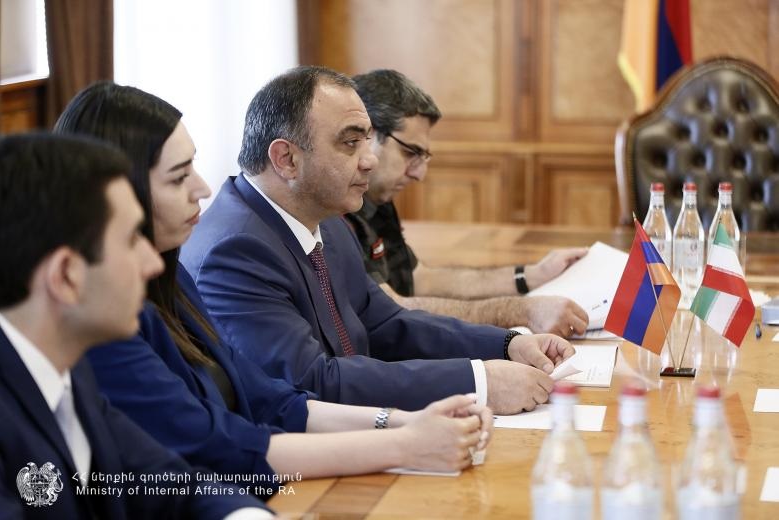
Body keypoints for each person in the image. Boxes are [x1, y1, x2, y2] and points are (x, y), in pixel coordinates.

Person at [54, 81, 492, 492]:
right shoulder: (111, 317)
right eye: (178, 176)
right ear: (120, 195)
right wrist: (404, 444)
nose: (202, 188)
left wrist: (403, 423)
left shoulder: (172, 278)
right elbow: (215, 445)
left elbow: (271, 399)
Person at [180, 66, 575, 415]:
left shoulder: (329, 221)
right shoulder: (234, 252)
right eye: (350, 143)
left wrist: (506, 344)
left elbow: (386, 322)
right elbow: (312, 383)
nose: (369, 159)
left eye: (367, 141)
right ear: (286, 159)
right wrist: (479, 382)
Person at [0, 134, 271, 518]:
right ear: (66, 275)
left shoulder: (70, 374)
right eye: (131, 240)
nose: (153, 263)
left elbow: (176, 487)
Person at [348, 69, 590, 338]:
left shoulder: (376, 198)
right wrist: (521, 312)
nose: (419, 174)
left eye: (423, 157)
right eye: (410, 152)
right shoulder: (337, 210)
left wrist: (532, 274)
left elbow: (420, 279)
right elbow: (391, 311)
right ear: (366, 136)